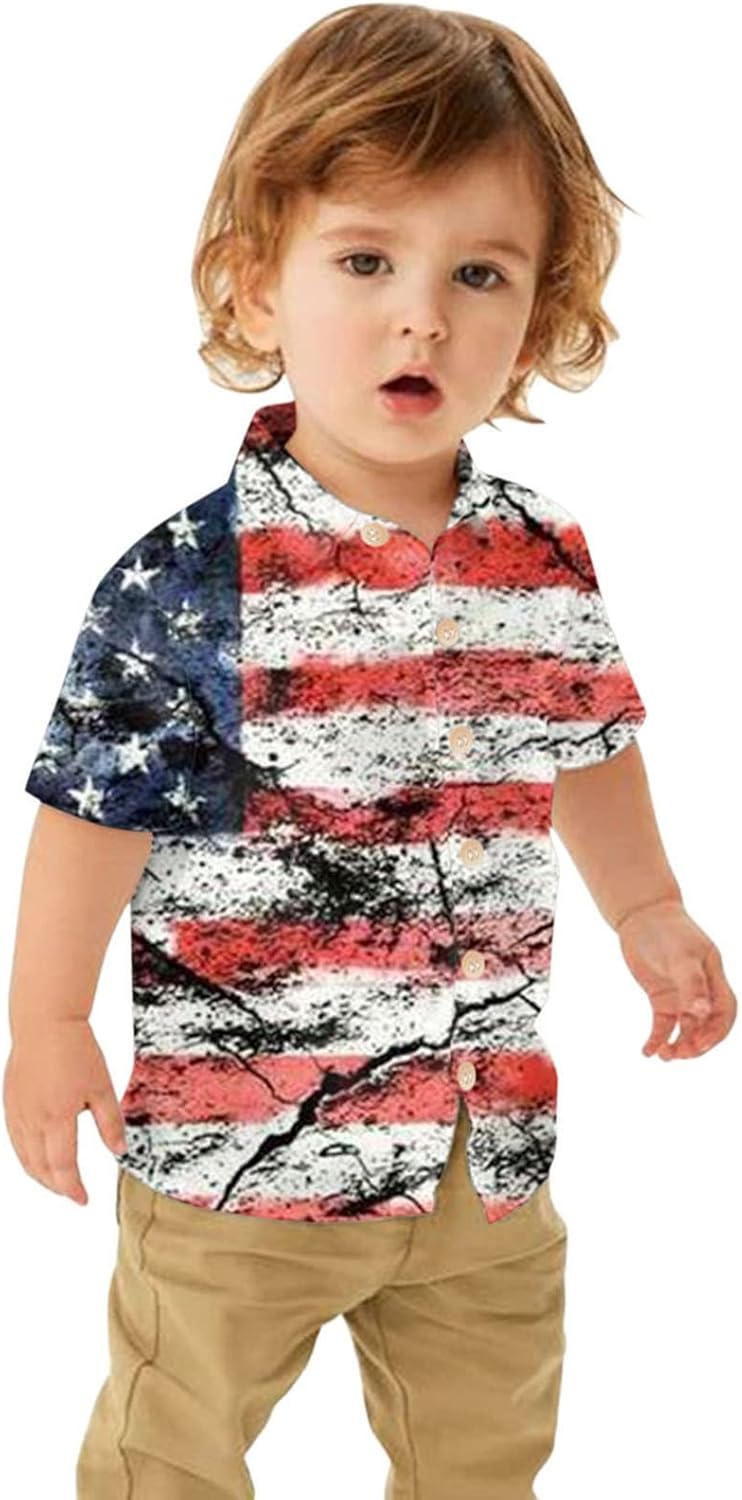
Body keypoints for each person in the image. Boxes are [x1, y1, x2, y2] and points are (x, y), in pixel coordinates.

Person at [4, 6, 737, 1498]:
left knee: (486, 1444)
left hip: (478, 1149)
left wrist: (649, 908)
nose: (423, 319)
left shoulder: (540, 556)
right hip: (241, 1155)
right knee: (172, 1442)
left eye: (479, 273)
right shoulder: (190, 580)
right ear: (253, 282)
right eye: (364, 262)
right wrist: (50, 1023)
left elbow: (586, 742)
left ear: (537, 312)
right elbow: (94, 819)